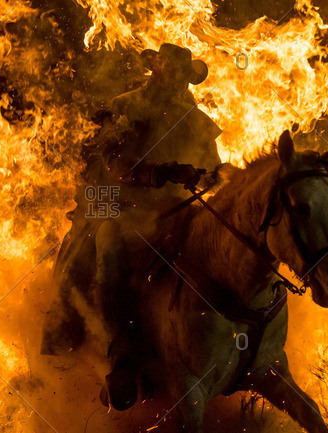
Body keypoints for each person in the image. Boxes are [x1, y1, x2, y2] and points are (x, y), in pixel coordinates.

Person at [82, 43, 223, 410]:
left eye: (184, 77)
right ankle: (123, 357)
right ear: (157, 71)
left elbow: (213, 166)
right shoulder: (125, 107)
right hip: (127, 209)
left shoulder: (197, 120)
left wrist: (217, 176)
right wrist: (164, 172)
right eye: (172, 73)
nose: (179, 83)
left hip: (182, 212)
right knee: (109, 245)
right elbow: (115, 162)